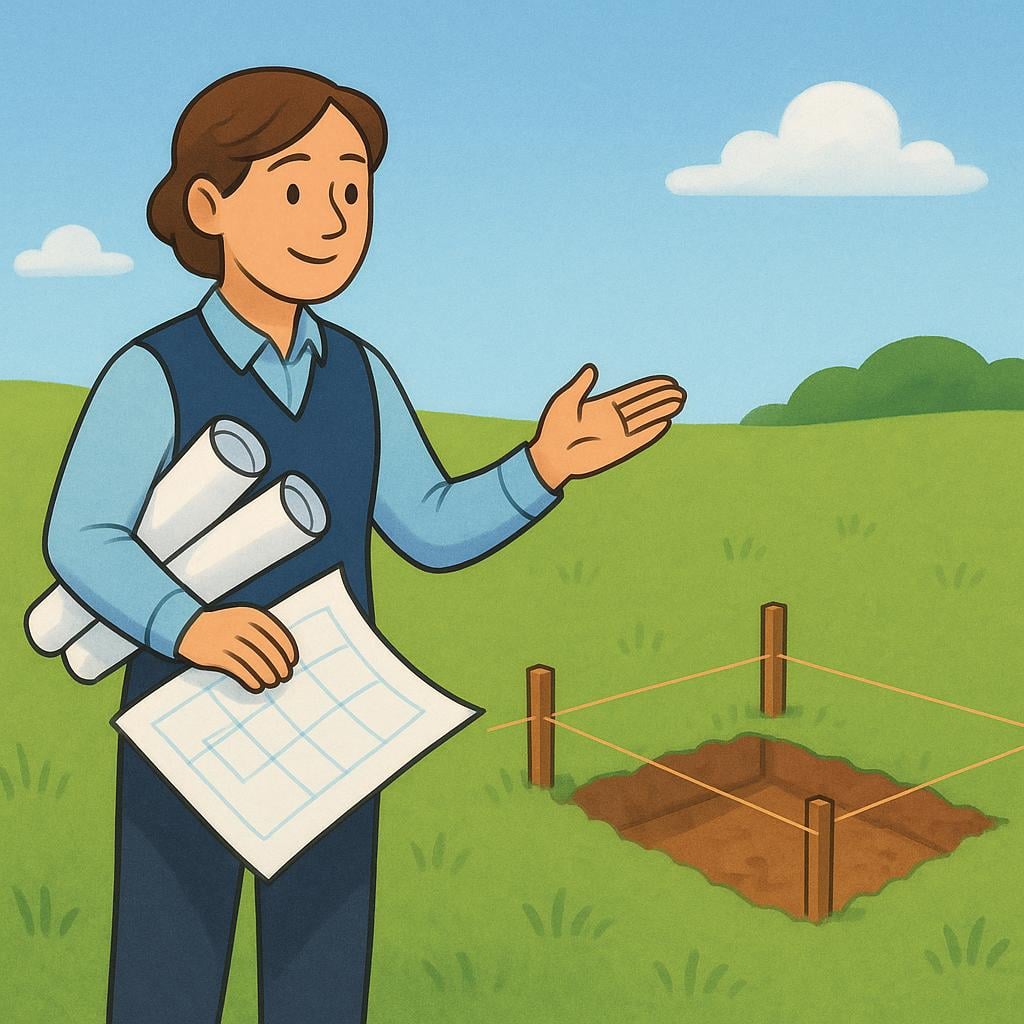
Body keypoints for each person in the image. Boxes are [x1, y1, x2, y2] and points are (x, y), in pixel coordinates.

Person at [43, 67, 685, 1024]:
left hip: (334, 731)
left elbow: (427, 523)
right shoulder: (154, 373)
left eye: (352, 189)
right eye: (296, 189)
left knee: (324, 979)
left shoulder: (359, 371)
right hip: (186, 733)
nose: (333, 218)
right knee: (167, 976)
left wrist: (543, 466)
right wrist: (192, 628)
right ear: (211, 207)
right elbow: (81, 534)